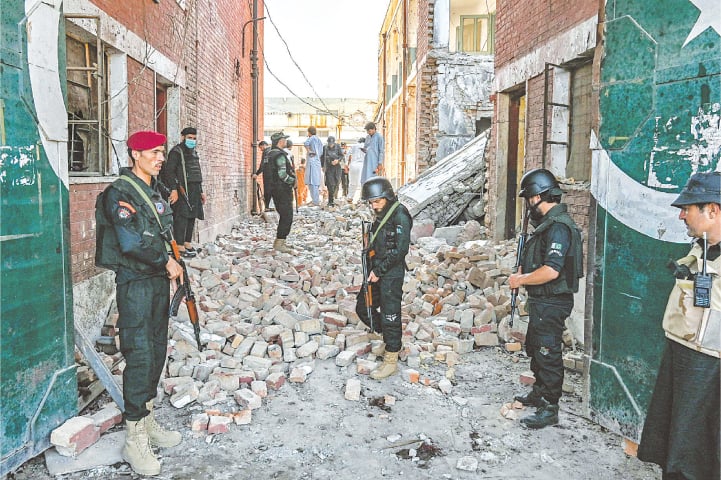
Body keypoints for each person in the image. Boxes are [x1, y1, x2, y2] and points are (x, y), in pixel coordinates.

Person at [101, 131, 184, 476]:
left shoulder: (154, 191)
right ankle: (134, 436)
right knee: (139, 354)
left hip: (155, 283)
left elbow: (164, 234)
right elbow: (131, 242)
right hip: (134, 283)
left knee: (157, 348)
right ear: (135, 154)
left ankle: (147, 419)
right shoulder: (119, 192)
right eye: (153, 152)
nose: (160, 157)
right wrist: (166, 262)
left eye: (162, 152)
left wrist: (172, 264)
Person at [637, 171, 721, 480]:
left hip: (711, 369)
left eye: (688, 208)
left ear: (712, 210)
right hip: (682, 354)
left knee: (701, 452)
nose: (681, 215)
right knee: (674, 442)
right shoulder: (701, 248)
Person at [508, 168, 584, 429]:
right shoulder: (549, 225)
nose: (528, 206)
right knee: (536, 347)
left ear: (538, 197)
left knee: (548, 352)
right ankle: (539, 392)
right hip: (543, 301)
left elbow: (552, 270)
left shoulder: (559, 228)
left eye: (529, 199)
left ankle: (550, 407)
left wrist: (521, 280)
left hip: (553, 301)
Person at [355, 176, 413, 380]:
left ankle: (391, 358)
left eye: (377, 201)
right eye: (371, 202)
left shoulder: (400, 215)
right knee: (363, 307)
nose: (374, 205)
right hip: (376, 269)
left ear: (387, 196)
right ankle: (391, 340)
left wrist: (379, 271)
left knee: (390, 314)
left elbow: (400, 250)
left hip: (391, 272)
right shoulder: (381, 213)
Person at [159, 127, 206, 257]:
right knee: (182, 216)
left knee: (192, 215)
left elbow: (197, 172)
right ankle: (179, 246)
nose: (192, 140)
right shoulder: (176, 152)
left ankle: (187, 243)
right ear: (183, 137)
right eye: (190, 138)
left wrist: (201, 191)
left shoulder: (194, 152)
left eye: (194, 138)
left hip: (195, 189)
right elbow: (169, 172)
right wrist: (173, 189)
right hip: (182, 188)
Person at [265, 131, 297, 253]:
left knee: (284, 215)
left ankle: (280, 241)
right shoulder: (279, 156)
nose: (285, 141)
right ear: (280, 141)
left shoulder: (269, 154)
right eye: (284, 139)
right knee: (287, 216)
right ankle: (280, 242)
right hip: (282, 190)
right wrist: (292, 181)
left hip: (274, 190)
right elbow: (283, 175)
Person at [303, 126, 323, 206]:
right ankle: (314, 200)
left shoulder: (312, 138)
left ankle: (315, 201)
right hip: (317, 162)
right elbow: (321, 152)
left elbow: (306, 143)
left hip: (312, 162)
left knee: (312, 182)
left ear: (309, 132)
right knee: (314, 182)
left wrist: (310, 151)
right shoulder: (319, 140)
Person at [322, 136, 344, 207]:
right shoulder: (325, 148)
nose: (330, 145)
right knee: (330, 184)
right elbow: (322, 158)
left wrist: (338, 160)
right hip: (329, 167)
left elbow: (341, 155)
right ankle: (330, 200)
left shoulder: (338, 147)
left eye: (332, 143)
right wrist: (323, 166)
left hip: (337, 167)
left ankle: (333, 198)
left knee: (337, 182)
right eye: (329, 143)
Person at [252, 140, 272, 212]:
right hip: (274, 175)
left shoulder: (266, 152)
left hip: (268, 175)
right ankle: (270, 206)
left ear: (264, 145)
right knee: (272, 190)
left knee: (267, 190)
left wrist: (256, 174)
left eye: (261, 148)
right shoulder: (272, 150)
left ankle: (267, 206)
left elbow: (263, 165)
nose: (261, 150)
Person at [347, 137, 366, 203]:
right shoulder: (366, 146)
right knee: (362, 182)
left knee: (352, 182)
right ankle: (362, 198)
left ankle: (350, 197)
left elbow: (347, 154)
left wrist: (346, 164)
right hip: (362, 165)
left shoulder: (354, 146)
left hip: (353, 165)